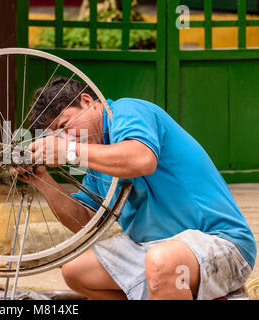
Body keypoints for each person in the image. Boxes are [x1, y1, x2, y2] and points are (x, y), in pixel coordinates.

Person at [13, 77, 256, 300]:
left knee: (162, 262)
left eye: (65, 126)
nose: (67, 139)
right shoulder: (96, 161)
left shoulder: (127, 111)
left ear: (87, 102)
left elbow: (142, 160)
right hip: (156, 251)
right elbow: (86, 221)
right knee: (76, 270)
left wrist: (68, 152)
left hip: (220, 244)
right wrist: (41, 179)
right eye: (58, 137)